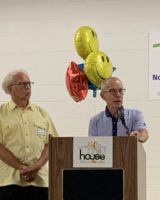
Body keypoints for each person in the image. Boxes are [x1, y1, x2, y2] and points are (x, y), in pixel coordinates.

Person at [0, 70, 58, 200]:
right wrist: (21, 167)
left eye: (29, 84)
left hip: (40, 182)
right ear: (10, 89)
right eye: (23, 84)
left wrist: (36, 167)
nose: (27, 87)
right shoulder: (1, 113)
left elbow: (51, 144)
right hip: (9, 182)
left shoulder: (42, 113)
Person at [88, 77, 149, 143]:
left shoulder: (135, 114)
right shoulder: (95, 121)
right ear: (103, 96)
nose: (118, 95)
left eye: (121, 90)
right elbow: (92, 145)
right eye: (113, 91)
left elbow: (143, 132)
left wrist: (139, 136)